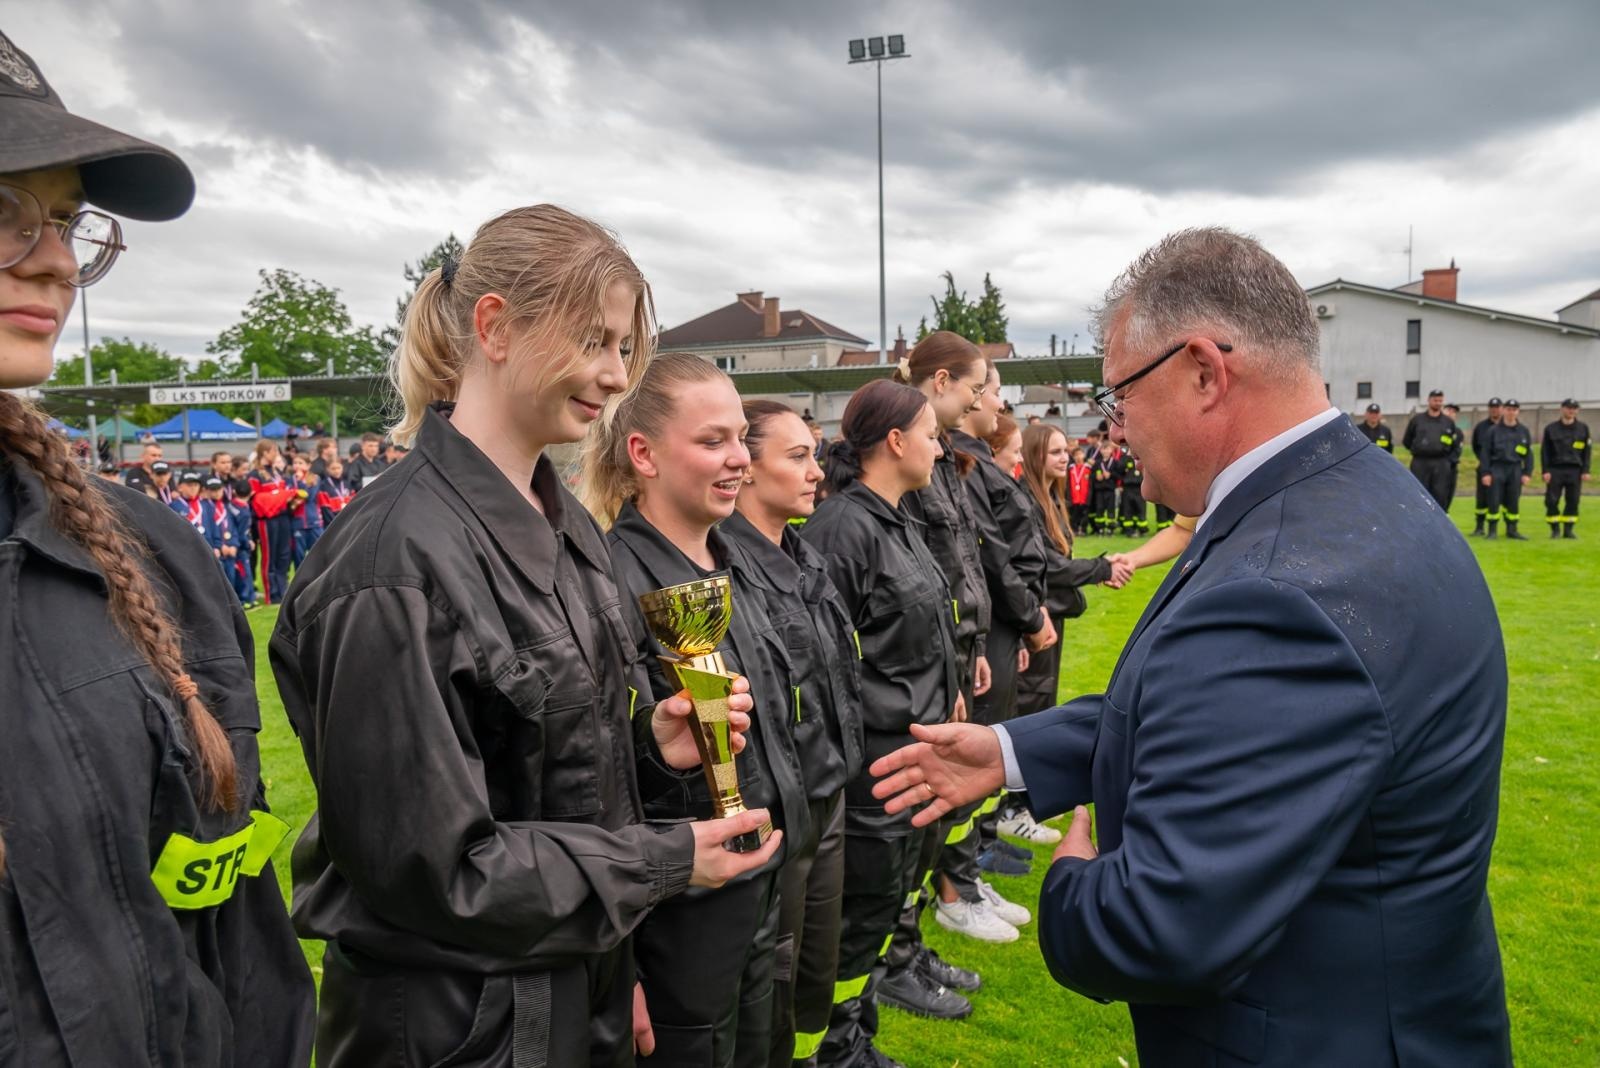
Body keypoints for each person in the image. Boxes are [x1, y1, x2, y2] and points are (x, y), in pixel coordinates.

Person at [871, 227, 1511, 1067]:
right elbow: (1213, 711)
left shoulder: (1283, 582)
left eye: (1119, 395)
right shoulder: (1348, 495)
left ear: (1205, 371)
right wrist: (1010, 749)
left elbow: (1157, 927)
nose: (1116, 426)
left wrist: (1073, 879)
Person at [272, 205, 777, 1067]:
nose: (617, 374)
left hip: (572, 988)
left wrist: (651, 749)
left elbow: (540, 776)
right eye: (594, 340)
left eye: (623, 346)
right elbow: (435, 870)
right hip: (458, 1025)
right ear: (495, 326)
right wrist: (659, 865)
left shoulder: (565, 520)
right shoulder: (391, 561)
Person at [0, 28, 313, 1063]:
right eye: (4, 213)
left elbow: (240, 938)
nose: (54, 261)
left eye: (63, 221)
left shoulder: (145, 553)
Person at [582, 351, 806, 1067]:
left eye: (741, 437)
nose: (739, 458)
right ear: (642, 454)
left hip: (759, 882)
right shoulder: (608, 584)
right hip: (676, 916)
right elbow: (591, 782)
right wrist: (619, 966)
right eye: (713, 441)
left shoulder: (728, 562)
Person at [798, 379, 961, 1068]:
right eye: (929, 433)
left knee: (881, 905)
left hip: (915, 753)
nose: (939, 446)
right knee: (857, 916)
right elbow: (820, 660)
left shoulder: (898, 516)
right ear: (894, 442)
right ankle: (834, 1050)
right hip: (877, 766)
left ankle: (854, 1035)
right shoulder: (844, 528)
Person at [723, 399, 866, 1067]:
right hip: (781, 810)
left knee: (815, 965)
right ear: (745, 470)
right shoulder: (723, 570)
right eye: (798, 455)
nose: (818, 471)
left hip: (825, 793)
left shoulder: (801, 555)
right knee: (772, 981)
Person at [885, 332, 993, 1012]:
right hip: (919, 669)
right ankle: (894, 957)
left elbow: (955, 566)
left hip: (948, 657)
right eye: (976, 388)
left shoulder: (945, 463)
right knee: (906, 828)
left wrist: (968, 648)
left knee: (928, 826)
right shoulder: (902, 477)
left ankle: (908, 944)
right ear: (943, 380)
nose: (981, 400)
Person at [946, 387, 1049, 939]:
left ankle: (973, 864)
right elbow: (987, 554)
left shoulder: (965, 464)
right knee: (974, 751)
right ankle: (959, 882)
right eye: (986, 387)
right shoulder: (959, 466)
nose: (996, 400)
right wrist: (1028, 615)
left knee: (991, 742)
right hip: (990, 628)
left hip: (988, 631)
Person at [245, 439, 296, 603]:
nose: (277, 455)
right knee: (269, 556)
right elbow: (256, 500)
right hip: (266, 520)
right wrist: (279, 497)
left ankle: (282, 591)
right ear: (265, 453)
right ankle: (271, 594)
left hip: (283, 517)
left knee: (284, 555)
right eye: (274, 451)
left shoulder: (277, 473)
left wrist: (281, 497)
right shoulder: (254, 475)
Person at [1481, 398, 1534, 540]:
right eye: (1508, 409)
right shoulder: (1493, 431)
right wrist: (1485, 473)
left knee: (1513, 500)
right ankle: (1492, 530)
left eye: (1514, 410)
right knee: (1494, 499)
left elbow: (1528, 454)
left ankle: (1512, 529)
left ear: (1518, 412)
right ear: (1503, 410)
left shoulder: (1523, 431)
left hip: (1515, 469)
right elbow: (1485, 453)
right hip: (1497, 468)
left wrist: (1527, 472)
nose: (1511, 412)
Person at [1541, 398, 1590, 538]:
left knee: (1573, 500)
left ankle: (1568, 530)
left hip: (1575, 470)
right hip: (1555, 469)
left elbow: (1587, 451)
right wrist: (1545, 470)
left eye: (1574, 408)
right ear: (1562, 409)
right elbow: (1545, 452)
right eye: (1569, 408)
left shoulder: (1583, 428)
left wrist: (1585, 470)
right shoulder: (1551, 429)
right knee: (1551, 500)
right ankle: (1555, 529)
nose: (1571, 411)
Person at [1403, 388, 1458, 511]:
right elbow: (1407, 441)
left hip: (1441, 463)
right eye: (1435, 400)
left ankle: (1439, 526)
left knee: (1440, 495)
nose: (1438, 403)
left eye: (1440, 400)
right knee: (1419, 495)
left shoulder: (1448, 422)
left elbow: (1453, 444)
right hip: (1420, 462)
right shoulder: (1417, 420)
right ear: (1428, 400)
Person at [1469, 398, 1503, 535]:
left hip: (1501, 467)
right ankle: (1479, 527)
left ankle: (1509, 528)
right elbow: (1476, 446)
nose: (1494, 409)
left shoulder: (1507, 426)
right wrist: (1484, 462)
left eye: (1497, 407)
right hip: (1484, 467)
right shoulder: (1481, 427)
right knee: (1481, 498)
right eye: (1492, 407)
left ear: (1502, 408)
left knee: (1502, 499)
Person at [226, 479, 258, 608]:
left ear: (234, 492)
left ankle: (249, 597)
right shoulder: (244, 511)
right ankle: (246, 599)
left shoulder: (229, 506)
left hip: (232, 543)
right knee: (245, 572)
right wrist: (248, 543)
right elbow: (242, 532)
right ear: (251, 493)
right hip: (240, 546)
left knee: (241, 572)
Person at [286, 452, 322, 564]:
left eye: (301, 463)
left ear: (308, 465)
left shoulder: (315, 478)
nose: (297, 466)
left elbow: (309, 496)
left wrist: (301, 483)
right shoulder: (289, 480)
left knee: (317, 554)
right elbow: (289, 498)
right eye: (295, 463)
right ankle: (300, 581)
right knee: (299, 556)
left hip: (313, 522)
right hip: (298, 523)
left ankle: (317, 579)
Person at [315, 454, 354, 527]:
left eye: (338, 468)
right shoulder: (323, 485)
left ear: (342, 467)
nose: (336, 471)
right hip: (332, 524)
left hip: (348, 522)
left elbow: (353, 503)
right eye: (333, 468)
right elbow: (325, 509)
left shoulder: (347, 484)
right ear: (327, 469)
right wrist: (336, 524)